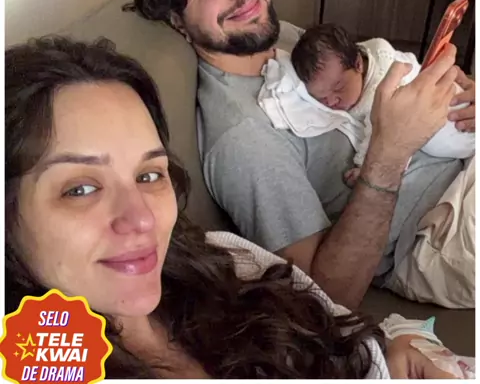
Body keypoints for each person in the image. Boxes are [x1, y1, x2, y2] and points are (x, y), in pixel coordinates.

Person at [5, 35, 466, 378]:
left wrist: (386, 352)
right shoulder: (36, 356)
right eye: (81, 189)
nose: (142, 218)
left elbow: (334, 324)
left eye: (149, 175)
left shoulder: (222, 259)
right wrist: (390, 152)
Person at [126, 0, 476, 309]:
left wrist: (457, 95)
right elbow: (325, 296)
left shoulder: (278, 38)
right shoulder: (244, 137)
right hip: (440, 233)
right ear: (176, 19)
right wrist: (391, 151)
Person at [285, 24, 475, 187]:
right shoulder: (365, 54)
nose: (333, 102)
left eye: (339, 88)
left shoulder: (379, 89)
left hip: (456, 123)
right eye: (322, 98)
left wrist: (362, 167)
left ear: (358, 64)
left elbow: (381, 134)